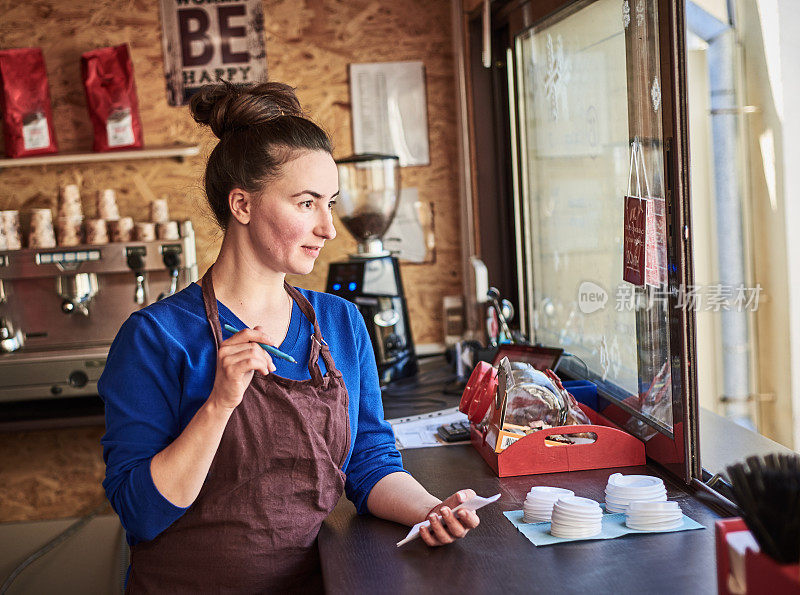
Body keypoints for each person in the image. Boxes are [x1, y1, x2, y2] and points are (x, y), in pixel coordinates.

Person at [99, 81, 482, 592]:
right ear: (242, 205)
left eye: (331, 203)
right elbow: (141, 514)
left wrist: (430, 511)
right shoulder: (155, 338)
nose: (329, 227)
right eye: (306, 203)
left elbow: (367, 458)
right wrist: (218, 405)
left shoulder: (341, 323)